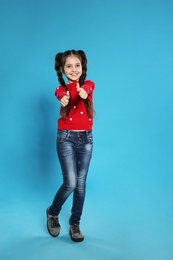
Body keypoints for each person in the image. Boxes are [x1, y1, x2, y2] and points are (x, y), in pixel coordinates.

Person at [46, 50, 95, 242]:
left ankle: (75, 223)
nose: (74, 69)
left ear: (82, 67)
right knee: (71, 183)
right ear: (62, 69)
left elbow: (89, 87)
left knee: (81, 185)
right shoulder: (62, 90)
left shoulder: (89, 85)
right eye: (69, 66)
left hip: (86, 139)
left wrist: (83, 91)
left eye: (77, 65)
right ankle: (52, 212)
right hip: (66, 138)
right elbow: (59, 92)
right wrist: (64, 97)